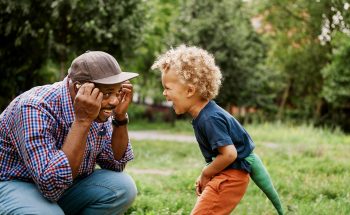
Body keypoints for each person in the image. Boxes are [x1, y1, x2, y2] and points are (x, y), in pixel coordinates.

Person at [0, 51, 139, 214]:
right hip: (13, 183)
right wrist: (82, 121)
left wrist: (120, 118)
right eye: (107, 93)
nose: (114, 101)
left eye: (117, 92)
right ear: (78, 88)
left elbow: (114, 164)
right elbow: (50, 184)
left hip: (64, 185)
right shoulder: (34, 107)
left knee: (123, 188)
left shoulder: (98, 106)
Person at [152, 45, 283, 215]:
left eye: (168, 88)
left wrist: (206, 173)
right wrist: (208, 174)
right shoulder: (205, 115)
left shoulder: (210, 118)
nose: (164, 93)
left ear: (190, 90)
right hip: (225, 174)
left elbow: (229, 154)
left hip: (230, 177)